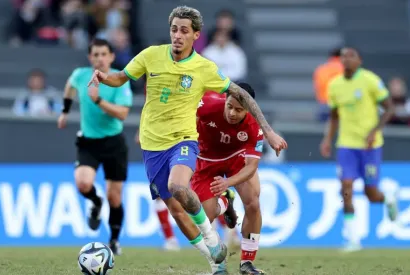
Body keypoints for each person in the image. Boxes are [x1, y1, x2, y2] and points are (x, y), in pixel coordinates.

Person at [87, 6, 287, 274]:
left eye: (184, 31)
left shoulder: (205, 68)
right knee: (177, 209)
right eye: (174, 29)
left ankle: (219, 242)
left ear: (195, 35)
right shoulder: (151, 55)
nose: (177, 35)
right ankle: (214, 259)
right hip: (152, 144)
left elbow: (243, 95)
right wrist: (102, 77)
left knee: (180, 187)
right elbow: (121, 78)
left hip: (184, 140)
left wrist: (269, 130)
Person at [57, 39, 133, 255]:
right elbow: (70, 86)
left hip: (113, 142)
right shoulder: (81, 75)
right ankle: (95, 201)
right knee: (82, 183)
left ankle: (115, 240)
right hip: (89, 142)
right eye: (95, 54)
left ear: (111, 57)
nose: (99, 58)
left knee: (115, 197)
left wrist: (98, 101)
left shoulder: (119, 79)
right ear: (90, 58)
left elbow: (123, 113)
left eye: (103, 54)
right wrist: (65, 110)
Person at [320, 47, 398, 252]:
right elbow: (334, 116)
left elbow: (389, 107)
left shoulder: (370, 81)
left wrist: (375, 131)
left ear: (359, 60)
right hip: (346, 145)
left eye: (351, 56)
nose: (346, 59)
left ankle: (387, 197)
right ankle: (352, 239)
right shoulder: (334, 85)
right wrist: (327, 139)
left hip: (370, 146)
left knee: (371, 193)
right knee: (346, 187)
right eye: (343, 56)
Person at [191, 83, 265, 274]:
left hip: (236, 159)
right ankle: (225, 203)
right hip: (205, 160)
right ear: (225, 100)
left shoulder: (254, 126)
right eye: (229, 106)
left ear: (249, 108)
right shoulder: (207, 104)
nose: (232, 112)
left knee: (253, 203)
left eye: (239, 110)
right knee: (207, 217)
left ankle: (246, 263)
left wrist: (228, 182)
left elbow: (251, 167)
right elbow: (184, 115)